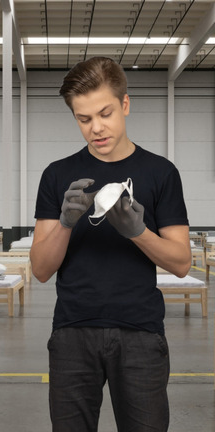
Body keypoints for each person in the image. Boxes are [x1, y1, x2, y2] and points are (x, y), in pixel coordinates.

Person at [30, 57, 191, 432]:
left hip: (141, 333)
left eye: (104, 113)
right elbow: (40, 270)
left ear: (125, 104)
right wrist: (66, 224)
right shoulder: (57, 174)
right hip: (72, 333)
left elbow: (181, 262)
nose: (96, 128)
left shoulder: (161, 173)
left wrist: (139, 232)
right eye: (84, 119)